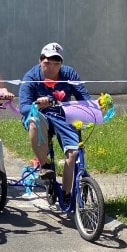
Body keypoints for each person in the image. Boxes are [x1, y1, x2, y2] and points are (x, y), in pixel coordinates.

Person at [17, 42, 92, 198]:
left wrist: (98, 105)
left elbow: (83, 97)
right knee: (34, 120)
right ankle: (44, 165)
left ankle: (65, 194)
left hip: (63, 116)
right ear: (40, 61)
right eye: (47, 63)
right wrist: (37, 104)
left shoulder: (69, 74)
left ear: (61, 64)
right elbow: (23, 107)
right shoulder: (31, 77)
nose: (51, 67)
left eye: (56, 63)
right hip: (40, 116)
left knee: (73, 154)